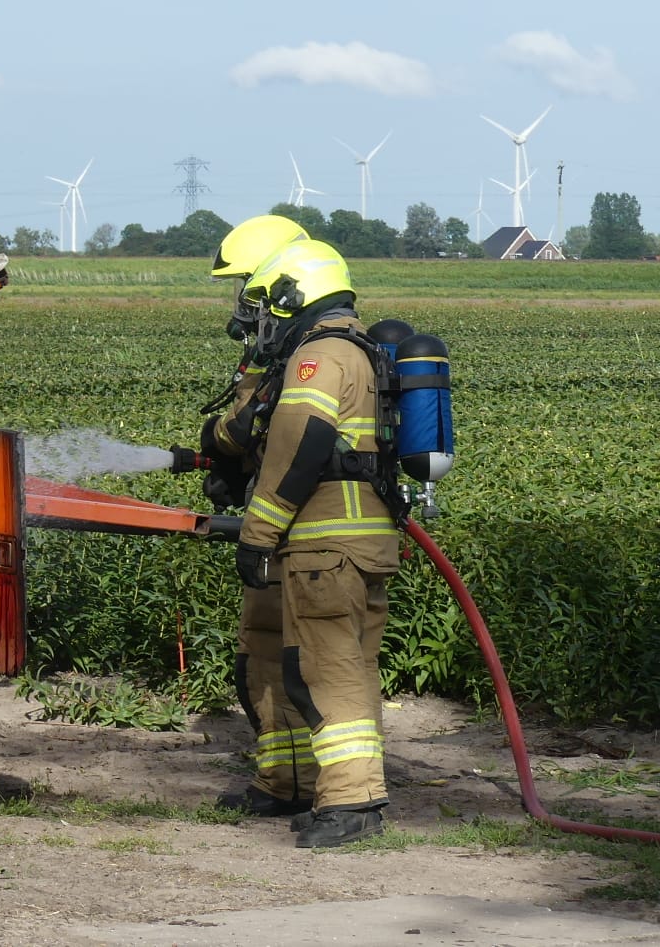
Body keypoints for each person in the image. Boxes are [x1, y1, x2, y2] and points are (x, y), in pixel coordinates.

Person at [235, 239, 401, 848]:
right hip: (343, 540)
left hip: (326, 543)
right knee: (298, 662)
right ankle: (298, 783)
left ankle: (354, 802)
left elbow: (302, 443)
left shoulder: (321, 355)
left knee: (329, 672)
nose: (262, 318)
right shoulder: (349, 350)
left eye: (267, 304)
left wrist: (259, 529)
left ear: (292, 294)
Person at [200, 215, 314, 819]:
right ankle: (286, 781)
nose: (242, 301)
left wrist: (217, 442)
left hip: (298, 536)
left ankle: (321, 790)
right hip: (289, 532)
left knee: (290, 658)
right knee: (272, 655)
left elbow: (248, 429)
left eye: (246, 283)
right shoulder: (299, 350)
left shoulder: (299, 356)